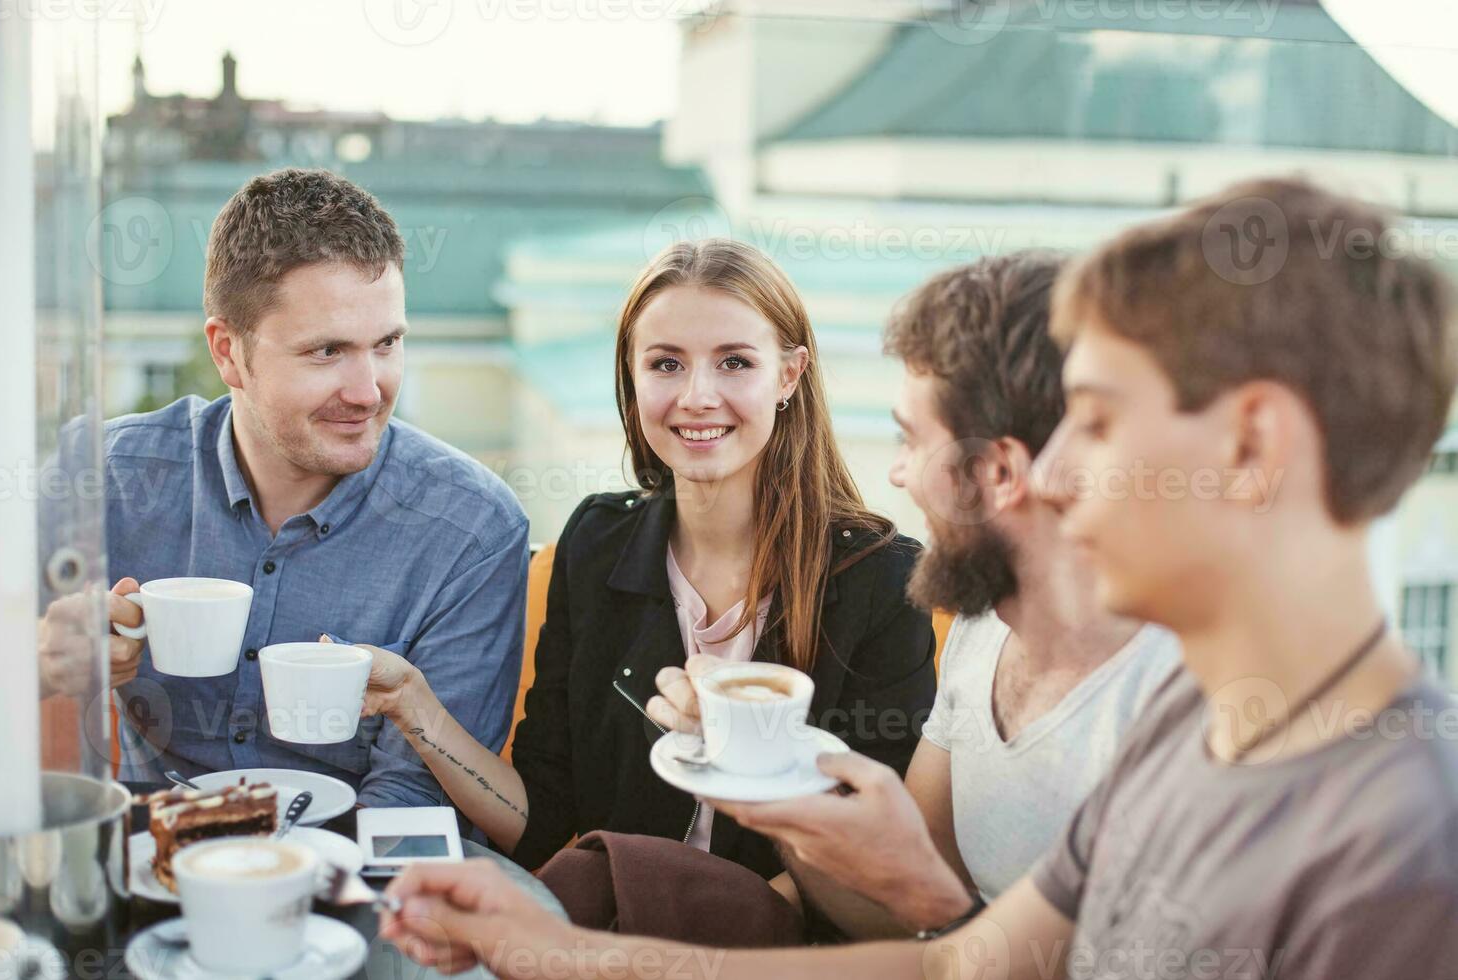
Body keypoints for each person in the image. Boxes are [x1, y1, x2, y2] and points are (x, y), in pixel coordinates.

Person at [378, 177, 1458, 978]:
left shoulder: (1406, 846)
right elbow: (955, 959)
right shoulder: (1197, 720)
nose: (1047, 474)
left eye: (1099, 418)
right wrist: (560, 950)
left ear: (1253, 443)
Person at [356, 238, 937, 880]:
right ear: (631, 379)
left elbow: (881, 866)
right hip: (616, 930)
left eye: (735, 362)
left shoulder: (882, 581)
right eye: (665, 365)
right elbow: (541, 819)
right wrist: (414, 706)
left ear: (790, 376)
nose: (697, 396)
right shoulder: (596, 543)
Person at [645, 252, 1180, 941]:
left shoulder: (1173, 707)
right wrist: (764, 778)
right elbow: (896, 921)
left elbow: (937, 919)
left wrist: (939, 910)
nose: (897, 475)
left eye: (910, 439)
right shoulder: (985, 630)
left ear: (997, 471)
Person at [91, 168, 530, 814]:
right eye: (327, 352)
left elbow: (411, 798)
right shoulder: (113, 476)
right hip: (157, 859)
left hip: (362, 878)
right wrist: (50, 654)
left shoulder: (473, 530)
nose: (368, 389)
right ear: (228, 353)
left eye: (387, 344)